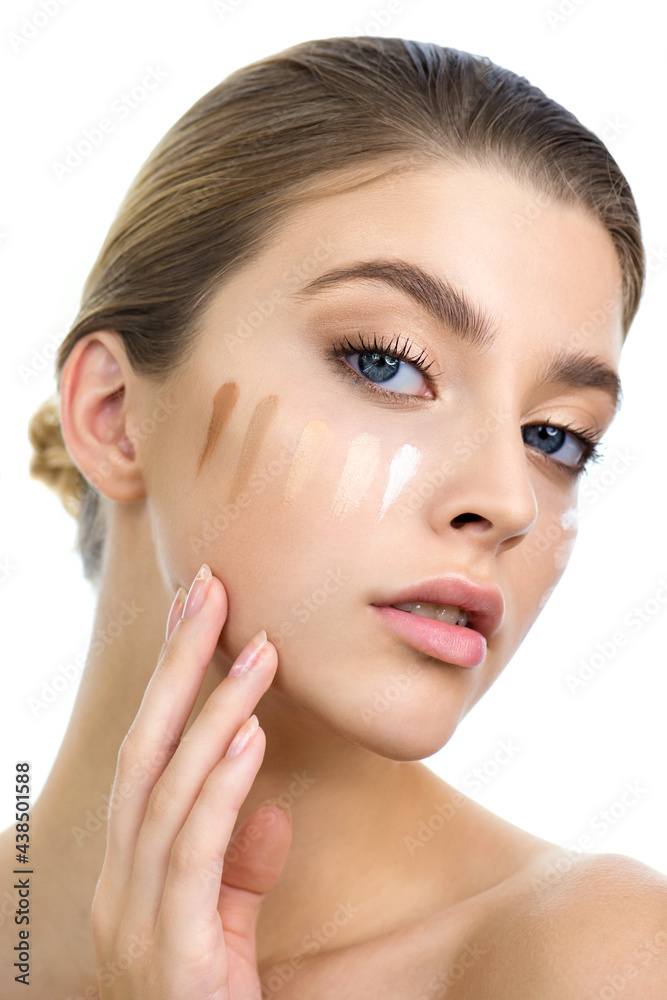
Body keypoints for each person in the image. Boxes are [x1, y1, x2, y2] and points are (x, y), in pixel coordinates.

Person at [4, 34, 666, 998]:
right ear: (113, 414)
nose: (509, 499)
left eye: (556, 435)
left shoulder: (591, 961)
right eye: (386, 362)